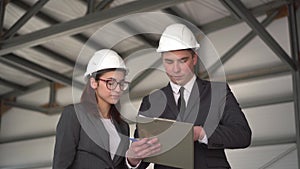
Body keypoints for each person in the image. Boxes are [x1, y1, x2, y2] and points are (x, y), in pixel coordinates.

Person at [127, 23, 252, 169]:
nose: (176, 69)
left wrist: (200, 133)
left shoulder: (218, 93)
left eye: (183, 60)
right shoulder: (151, 101)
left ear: (194, 59)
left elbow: (242, 135)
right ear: (162, 61)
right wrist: (133, 160)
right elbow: (141, 155)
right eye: (169, 61)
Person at [53, 49, 132, 169]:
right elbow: (61, 164)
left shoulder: (122, 127)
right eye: (111, 83)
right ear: (94, 82)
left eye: (121, 83)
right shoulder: (74, 115)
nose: (117, 89)